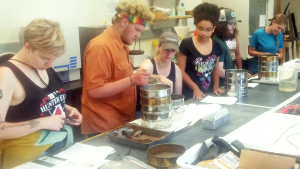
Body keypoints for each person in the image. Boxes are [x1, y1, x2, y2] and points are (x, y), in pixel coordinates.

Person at [0, 18, 82, 168]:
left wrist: (68, 109)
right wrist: (42, 123)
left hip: (58, 150)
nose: (50, 64)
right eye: (45, 58)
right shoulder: (6, 75)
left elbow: (38, 101)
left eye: (53, 59)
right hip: (27, 159)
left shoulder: (42, 65)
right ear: (27, 47)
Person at [81, 0, 154, 137]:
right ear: (124, 22)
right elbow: (94, 90)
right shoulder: (101, 47)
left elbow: (117, 78)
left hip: (121, 122)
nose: (138, 36)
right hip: (103, 127)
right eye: (137, 30)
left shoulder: (121, 45)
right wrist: (132, 80)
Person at [177, 3, 224, 100]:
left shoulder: (216, 45)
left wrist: (216, 87)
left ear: (213, 28)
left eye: (208, 30)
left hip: (209, 94)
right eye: (201, 28)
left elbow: (215, 70)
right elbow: (180, 70)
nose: (204, 33)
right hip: (191, 94)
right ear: (196, 26)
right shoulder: (186, 44)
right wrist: (195, 88)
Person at [212, 8, 242, 87]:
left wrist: (239, 73)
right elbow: (219, 71)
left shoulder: (222, 41)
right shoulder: (217, 43)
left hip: (227, 83)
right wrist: (238, 77)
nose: (234, 27)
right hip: (221, 86)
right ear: (222, 25)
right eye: (231, 24)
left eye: (235, 24)